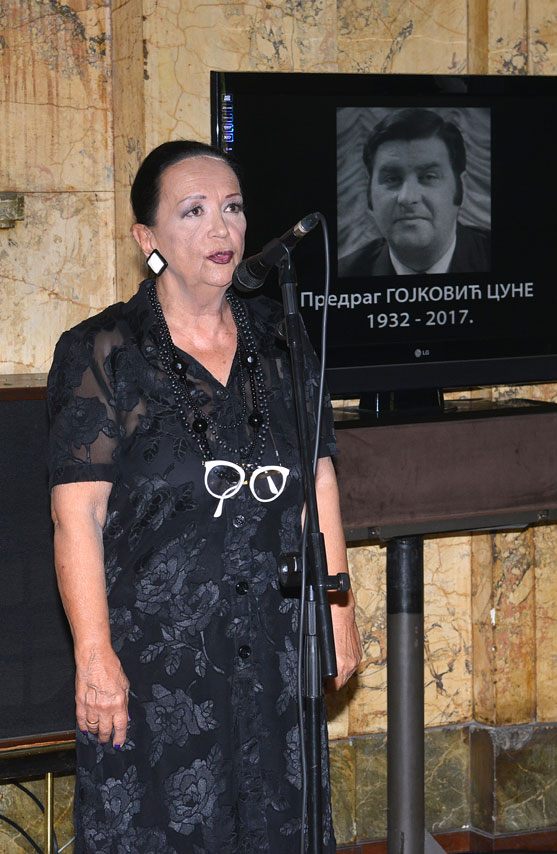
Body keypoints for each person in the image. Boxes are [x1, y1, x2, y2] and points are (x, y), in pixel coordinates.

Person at [47, 140, 362, 853]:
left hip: (278, 648)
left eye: (233, 208)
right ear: (147, 238)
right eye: (193, 211)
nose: (222, 228)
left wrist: (338, 608)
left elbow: (318, 480)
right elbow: (77, 517)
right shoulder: (102, 351)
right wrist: (93, 655)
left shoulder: (282, 339)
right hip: (158, 666)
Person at [339, 108, 490, 276]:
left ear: (461, 187)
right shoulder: (342, 274)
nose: (407, 198)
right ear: (369, 193)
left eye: (429, 177)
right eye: (392, 179)